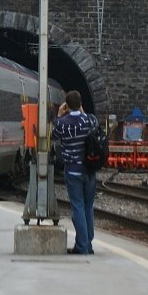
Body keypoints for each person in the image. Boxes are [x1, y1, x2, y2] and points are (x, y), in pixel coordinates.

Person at [51, 90, 97, 255]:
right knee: (88, 207)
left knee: (77, 206)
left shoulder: (62, 123)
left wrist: (58, 115)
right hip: (90, 170)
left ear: (67, 105)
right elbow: (93, 124)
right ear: (81, 103)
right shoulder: (89, 120)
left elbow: (53, 135)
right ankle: (88, 244)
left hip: (73, 171)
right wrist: (82, 111)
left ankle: (82, 246)